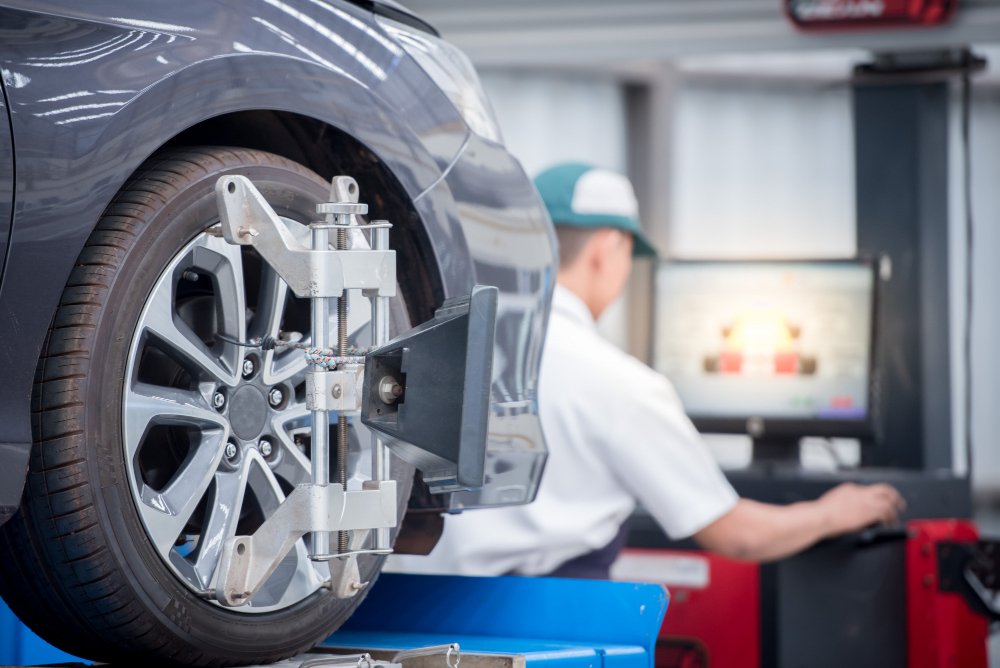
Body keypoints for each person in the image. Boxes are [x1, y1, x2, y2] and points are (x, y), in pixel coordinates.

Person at [389, 162, 905, 579]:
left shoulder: (437, 345)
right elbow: (735, 535)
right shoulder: (619, 382)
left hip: (399, 609)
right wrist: (833, 512)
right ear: (607, 248)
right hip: (536, 620)